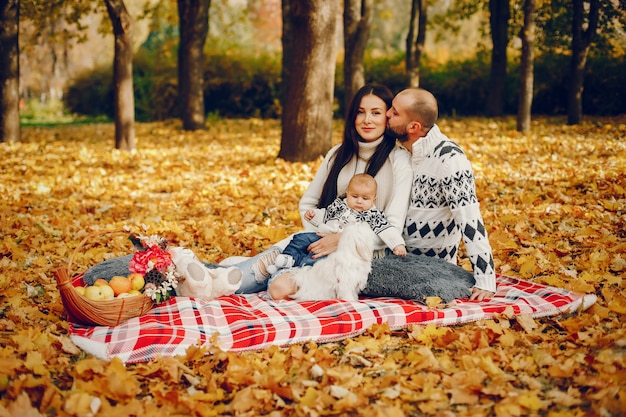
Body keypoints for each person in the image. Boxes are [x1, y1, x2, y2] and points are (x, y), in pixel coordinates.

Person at [232, 84, 413, 297]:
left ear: (388, 117)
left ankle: (227, 278)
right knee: (271, 258)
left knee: (279, 278)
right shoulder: (338, 153)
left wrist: (342, 240)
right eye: (360, 112)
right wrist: (321, 237)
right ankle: (215, 280)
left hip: (362, 254)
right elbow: (308, 203)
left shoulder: (399, 161)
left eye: (376, 113)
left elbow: (392, 225)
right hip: (319, 241)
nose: (367, 120)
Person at [386, 87, 497, 301]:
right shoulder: (397, 150)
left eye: (395, 112)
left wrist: (486, 280)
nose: (387, 114)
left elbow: (470, 221)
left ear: (414, 126)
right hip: (392, 257)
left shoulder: (450, 160)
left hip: (433, 269)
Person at [266, 173, 406, 275]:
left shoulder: (373, 215)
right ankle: (287, 258)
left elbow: (387, 230)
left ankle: (302, 270)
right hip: (322, 235)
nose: (359, 201)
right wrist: (314, 216)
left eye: (365, 198)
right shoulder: (340, 205)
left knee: (318, 257)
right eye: (354, 196)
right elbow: (326, 214)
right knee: (300, 239)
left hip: (342, 248)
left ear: (373, 199)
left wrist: (397, 244)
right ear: (347, 193)